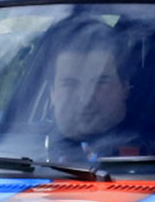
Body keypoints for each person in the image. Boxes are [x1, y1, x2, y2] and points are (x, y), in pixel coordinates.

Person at [44, 19, 135, 162]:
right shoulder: (23, 151)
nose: (85, 98)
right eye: (70, 84)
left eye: (100, 82)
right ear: (52, 93)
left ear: (125, 87)